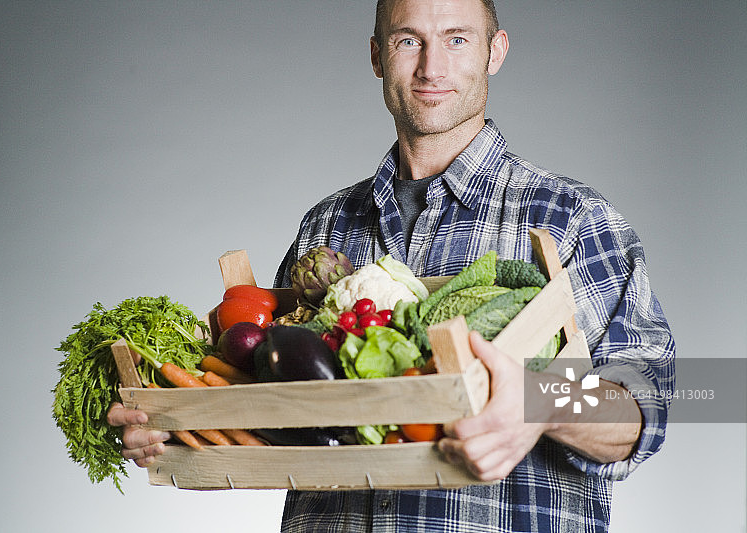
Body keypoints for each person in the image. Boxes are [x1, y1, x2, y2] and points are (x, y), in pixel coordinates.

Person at [108, 0, 675, 531]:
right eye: (409, 40)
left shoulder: (573, 219)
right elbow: (281, 414)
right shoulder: (324, 228)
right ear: (377, 55)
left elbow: (662, 396)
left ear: (495, 51)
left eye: (457, 39)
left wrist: (538, 404)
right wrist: (176, 429)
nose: (432, 66)